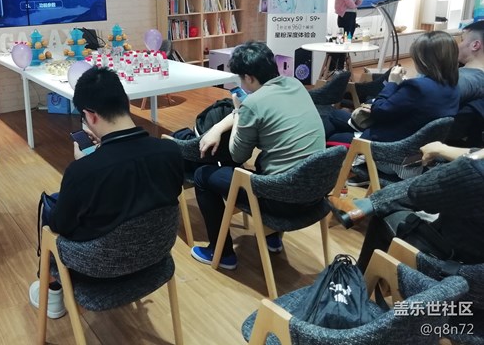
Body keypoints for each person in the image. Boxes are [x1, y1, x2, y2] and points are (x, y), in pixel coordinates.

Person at [29, 66, 184, 318]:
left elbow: (61, 226)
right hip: (155, 258)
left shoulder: (83, 172)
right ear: (125, 101)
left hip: (95, 272)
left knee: (53, 207)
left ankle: (53, 291)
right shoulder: (171, 152)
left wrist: (86, 163)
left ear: (90, 116)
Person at [190, 42, 325, 270]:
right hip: (315, 191)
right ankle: (272, 236)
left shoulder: (253, 103)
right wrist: (224, 123)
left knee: (203, 176)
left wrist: (237, 111)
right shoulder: (295, 84)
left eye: (241, 79)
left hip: (283, 200)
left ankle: (221, 253)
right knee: (267, 160)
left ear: (249, 78)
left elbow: (237, 155)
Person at [328, 142, 484, 272]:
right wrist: (444, 149)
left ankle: (361, 276)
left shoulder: (474, 169)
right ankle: (370, 204)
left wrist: (465, 161)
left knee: (386, 213)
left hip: (455, 263)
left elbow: (419, 193)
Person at [324, 31, 460, 144]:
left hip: (387, 144)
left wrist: (392, 83)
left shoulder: (417, 87)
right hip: (413, 143)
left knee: (332, 131)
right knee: (333, 115)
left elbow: (380, 111)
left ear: (423, 60)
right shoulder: (453, 87)